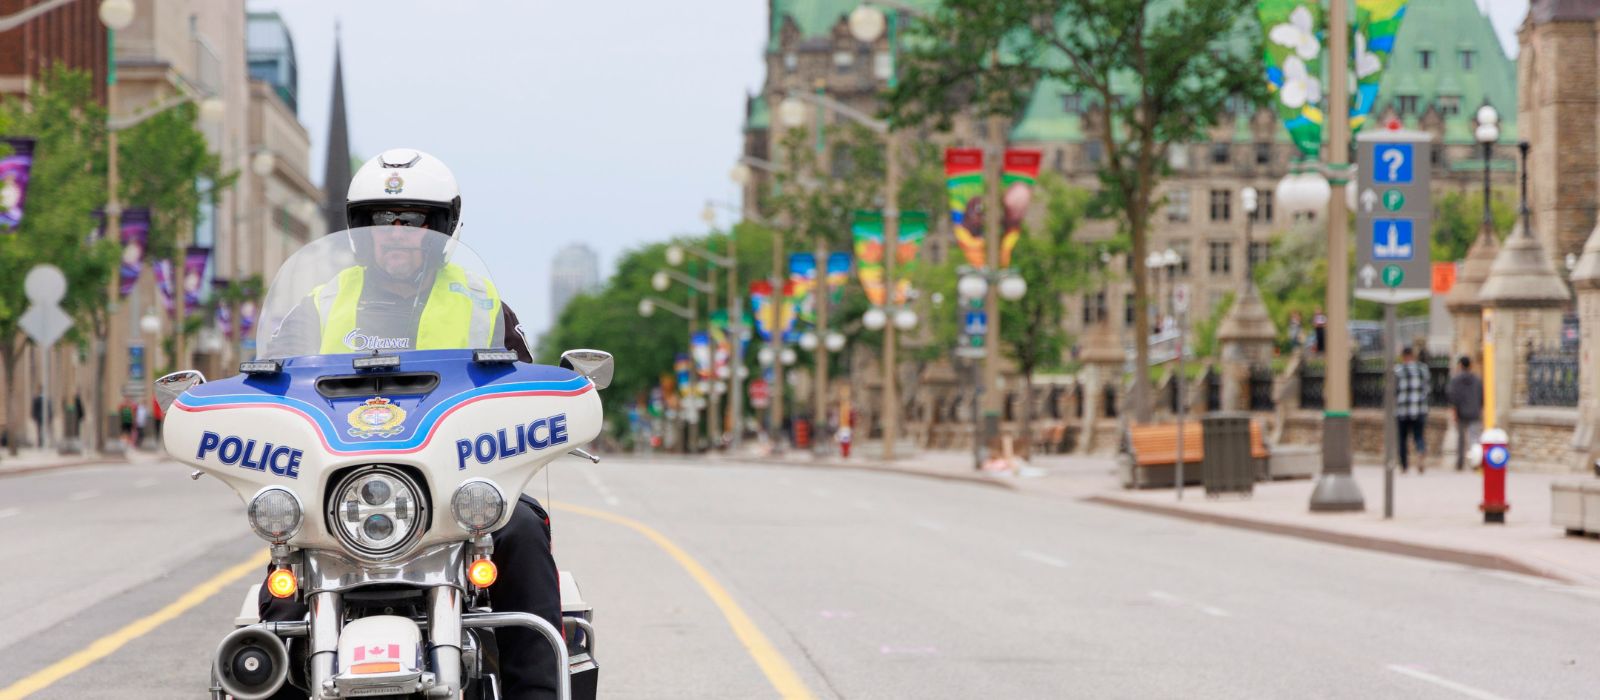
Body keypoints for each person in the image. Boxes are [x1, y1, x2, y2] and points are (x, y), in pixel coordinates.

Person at [260, 149, 560, 699]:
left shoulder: (481, 306)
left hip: (455, 496)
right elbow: (269, 386)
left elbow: (523, 387)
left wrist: (550, 401)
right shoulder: (322, 305)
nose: (397, 234)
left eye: (413, 220)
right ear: (361, 232)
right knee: (280, 594)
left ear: (441, 228)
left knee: (521, 533)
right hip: (342, 499)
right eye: (381, 221)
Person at [1394, 346, 1430, 474]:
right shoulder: (1422, 369)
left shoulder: (1398, 370)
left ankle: (1404, 465)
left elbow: (1394, 390)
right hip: (1419, 409)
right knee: (1418, 435)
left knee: (1402, 439)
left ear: (1403, 356)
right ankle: (1420, 450)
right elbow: (1427, 388)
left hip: (1402, 409)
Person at [1446, 356, 1484, 471]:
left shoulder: (1455, 380)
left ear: (1460, 365)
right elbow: (1482, 396)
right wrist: (1480, 408)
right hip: (1474, 412)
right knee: (1474, 438)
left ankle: (1460, 463)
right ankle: (1475, 462)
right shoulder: (1477, 380)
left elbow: (1452, 397)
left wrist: (1454, 411)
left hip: (1461, 412)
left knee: (1461, 439)